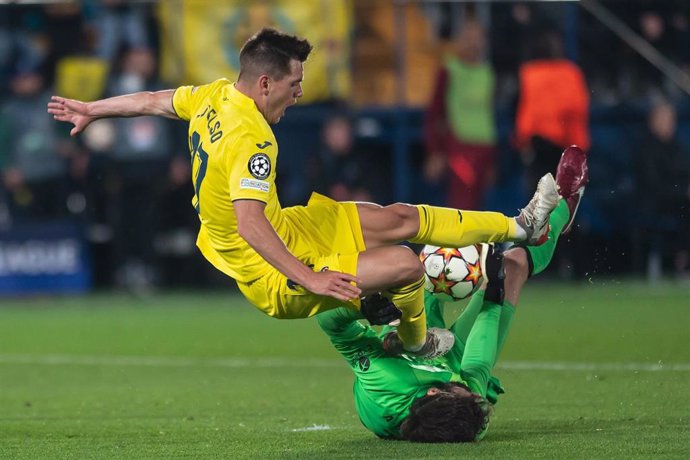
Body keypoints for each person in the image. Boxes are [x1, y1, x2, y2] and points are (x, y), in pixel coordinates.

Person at [48, 27, 559, 359]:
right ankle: (416, 342)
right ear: (266, 83)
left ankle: (522, 226)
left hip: (287, 228)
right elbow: (249, 225)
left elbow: (158, 101)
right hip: (270, 270)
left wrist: (94, 109)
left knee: (397, 217)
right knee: (404, 264)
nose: (300, 93)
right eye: (295, 84)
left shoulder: (213, 95)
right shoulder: (253, 139)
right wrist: (310, 278)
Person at [317, 146, 589, 442]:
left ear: (435, 391)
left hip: (396, 349)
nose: (474, 393)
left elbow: (332, 325)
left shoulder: (383, 383)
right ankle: (565, 204)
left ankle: (404, 324)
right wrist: (493, 291)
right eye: (473, 394)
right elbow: (477, 364)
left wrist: (361, 308)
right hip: (455, 357)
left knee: (405, 271)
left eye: (466, 391)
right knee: (514, 266)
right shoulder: (471, 417)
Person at [423, 19, 497, 210]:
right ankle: (461, 242)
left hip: (484, 147)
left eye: (478, 38)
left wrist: (492, 160)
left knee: (481, 206)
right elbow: (435, 112)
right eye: (469, 38)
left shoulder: (487, 73)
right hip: (460, 146)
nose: (474, 43)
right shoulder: (449, 70)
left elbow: (487, 115)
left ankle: (478, 241)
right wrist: (435, 151)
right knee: (462, 205)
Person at [513, 29, 590, 193]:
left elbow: (523, 109)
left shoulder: (529, 73)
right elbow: (579, 109)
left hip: (539, 141)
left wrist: (522, 140)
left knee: (539, 198)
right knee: (566, 199)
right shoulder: (571, 72)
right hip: (567, 144)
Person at [634, 101, 690, 279]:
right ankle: (680, 262)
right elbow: (652, 184)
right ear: (652, 121)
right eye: (663, 119)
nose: (668, 124)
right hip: (654, 201)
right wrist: (683, 192)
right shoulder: (646, 149)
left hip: (679, 199)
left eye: (671, 119)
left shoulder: (677, 147)